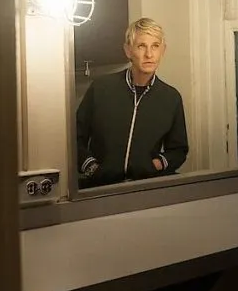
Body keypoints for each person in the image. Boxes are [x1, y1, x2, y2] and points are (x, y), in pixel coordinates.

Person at [76, 17, 189, 188]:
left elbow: (178, 150)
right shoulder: (101, 89)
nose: (149, 54)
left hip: (145, 190)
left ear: (163, 50)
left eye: (155, 46)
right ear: (128, 51)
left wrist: (155, 165)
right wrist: (92, 168)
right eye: (141, 46)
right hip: (99, 190)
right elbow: (74, 139)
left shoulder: (171, 98)